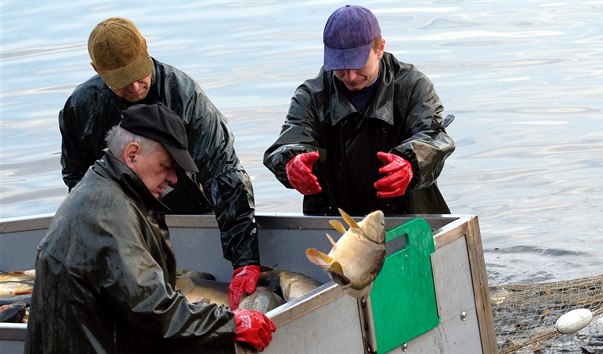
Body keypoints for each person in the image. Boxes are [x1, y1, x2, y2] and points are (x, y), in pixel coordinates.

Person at [25, 103, 276, 353]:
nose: (174, 179)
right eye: (165, 166)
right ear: (132, 154)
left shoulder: (108, 189)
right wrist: (231, 323)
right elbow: (149, 305)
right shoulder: (107, 212)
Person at [59, 17, 260, 309]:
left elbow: (224, 171)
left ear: (146, 47)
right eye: (123, 83)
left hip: (191, 208)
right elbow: (78, 182)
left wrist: (245, 258)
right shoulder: (80, 108)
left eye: (140, 74)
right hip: (127, 218)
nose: (137, 86)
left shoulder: (185, 96)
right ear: (97, 71)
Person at [263, 5, 455, 216]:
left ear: (380, 48)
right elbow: (290, 139)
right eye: (340, 66)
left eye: (358, 64)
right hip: (334, 221)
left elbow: (434, 137)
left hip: (408, 216)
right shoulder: (310, 95)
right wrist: (291, 162)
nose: (350, 76)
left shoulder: (413, 86)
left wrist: (411, 163)